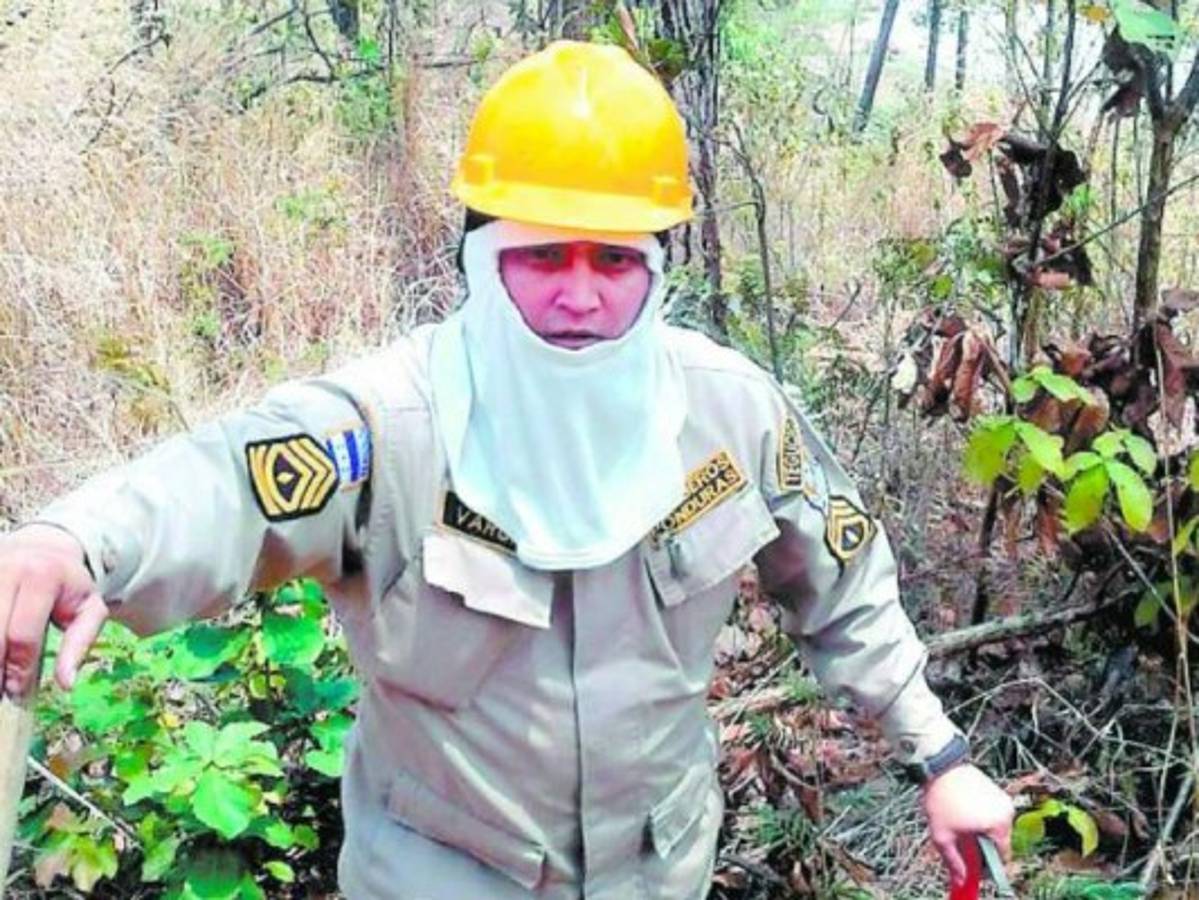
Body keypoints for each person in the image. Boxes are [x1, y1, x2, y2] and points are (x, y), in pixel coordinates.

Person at [0, 41, 1012, 899]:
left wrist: (942, 758)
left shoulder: (727, 413)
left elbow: (842, 588)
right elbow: (227, 480)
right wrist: (75, 541)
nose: (580, 294)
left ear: (657, 269)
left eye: (613, 260)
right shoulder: (388, 430)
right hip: (438, 873)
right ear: (484, 261)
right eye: (544, 257)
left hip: (657, 870)